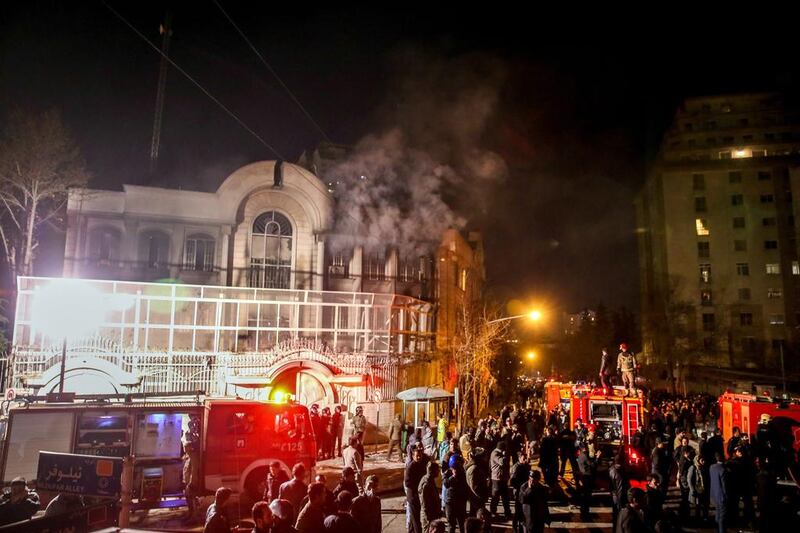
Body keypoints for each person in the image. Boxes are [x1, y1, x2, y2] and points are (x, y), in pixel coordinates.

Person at [405, 445, 429, 533]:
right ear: (413, 456)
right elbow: (407, 483)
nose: (419, 457)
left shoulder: (422, 464)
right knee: (416, 519)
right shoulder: (410, 467)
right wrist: (418, 487)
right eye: (417, 456)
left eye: (420, 456)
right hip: (413, 497)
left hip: (419, 496)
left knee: (413, 519)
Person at [443, 454, 469, 533]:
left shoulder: (463, 472)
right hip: (450, 502)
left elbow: (466, 485)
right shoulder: (448, 472)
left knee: (462, 524)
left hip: (460, 501)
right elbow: (446, 484)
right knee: (451, 525)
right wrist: (453, 477)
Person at [577, 442, 600, 520]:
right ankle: (584, 515)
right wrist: (597, 457)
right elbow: (592, 465)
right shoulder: (584, 456)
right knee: (587, 497)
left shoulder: (580, 455)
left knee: (584, 496)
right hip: (587, 477)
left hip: (583, 477)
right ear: (584, 448)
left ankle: (584, 513)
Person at [490, 440, 511, 520]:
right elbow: (502, 462)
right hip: (497, 479)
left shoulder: (500, 453)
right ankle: (493, 512)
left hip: (503, 478)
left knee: (505, 497)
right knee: (495, 497)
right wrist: (504, 455)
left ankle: (507, 512)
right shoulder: (495, 453)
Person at [609, 451, 630, 531]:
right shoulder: (619, 473)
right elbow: (620, 488)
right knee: (620, 517)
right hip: (619, 498)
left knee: (615, 516)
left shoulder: (611, 469)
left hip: (614, 495)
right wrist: (622, 503)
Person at [419, 460, 443, 531]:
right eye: (437, 470)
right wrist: (428, 520)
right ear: (433, 471)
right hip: (428, 517)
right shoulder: (426, 484)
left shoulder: (430, 480)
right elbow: (424, 503)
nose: (439, 472)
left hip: (432, 514)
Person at [465, 448, 489, 516]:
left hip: (476, 496)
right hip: (476, 496)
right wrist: (481, 496)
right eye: (483, 457)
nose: (485, 458)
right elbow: (473, 486)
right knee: (477, 514)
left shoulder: (477, 467)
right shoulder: (474, 469)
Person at [687, 453, 709, 522]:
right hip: (697, 490)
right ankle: (698, 519)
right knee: (698, 505)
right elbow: (689, 479)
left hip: (704, 489)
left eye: (704, 460)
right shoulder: (693, 467)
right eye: (702, 460)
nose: (703, 461)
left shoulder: (704, 467)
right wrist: (692, 490)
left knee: (705, 505)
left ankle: (705, 518)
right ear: (697, 460)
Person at [709, 453, 728, 533]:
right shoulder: (723, 469)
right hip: (721, 497)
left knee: (717, 514)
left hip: (713, 495)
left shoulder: (711, 467)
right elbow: (725, 486)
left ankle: (717, 530)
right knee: (722, 517)